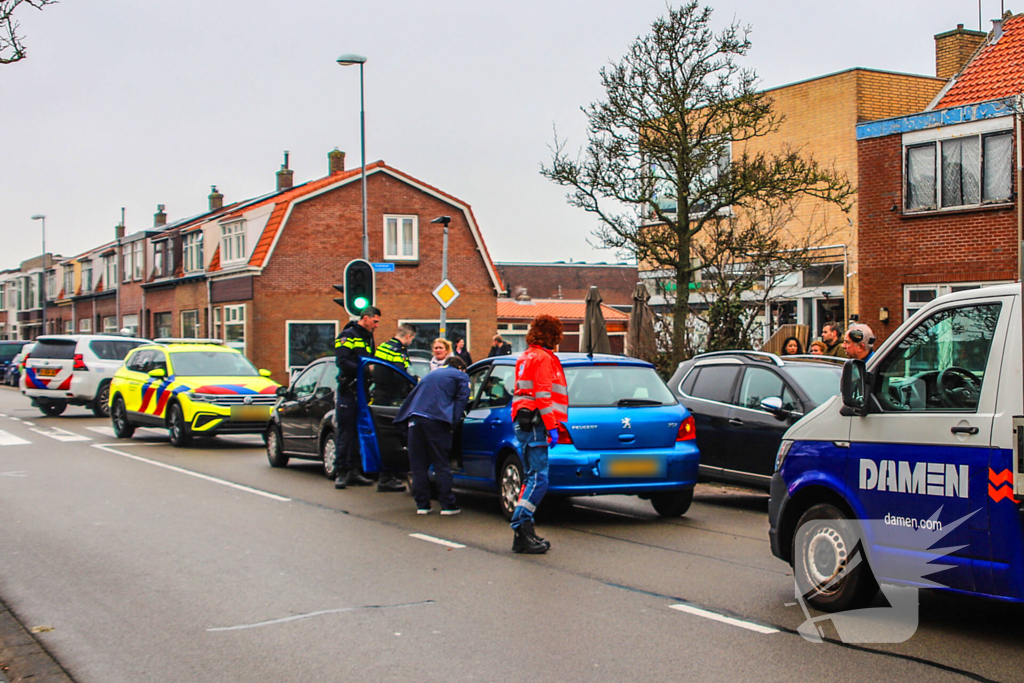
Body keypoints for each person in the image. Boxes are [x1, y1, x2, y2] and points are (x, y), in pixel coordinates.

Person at [509, 314, 567, 555]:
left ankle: (525, 532)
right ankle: (521, 524)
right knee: (539, 478)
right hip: (536, 422)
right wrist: (552, 426)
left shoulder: (525, 356)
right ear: (552, 334)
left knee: (531, 476)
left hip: (523, 419)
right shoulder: (543, 358)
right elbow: (543, 396)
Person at [394, 356, 470, 515]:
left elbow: (411, 398)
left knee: (418, 465)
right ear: (461, 368)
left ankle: (422, 505)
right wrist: (454, 424)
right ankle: (447, 505)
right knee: (441, 463)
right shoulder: (460, 376)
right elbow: (461, 401)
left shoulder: (430, 375)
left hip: (415, 419)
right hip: (437, 420)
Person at [333, 306, 380, 490]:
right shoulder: (347, 336)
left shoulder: (368, 336)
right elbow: (342, 361)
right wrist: (365, 369)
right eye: (375, 321)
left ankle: (354, 470)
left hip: (363, 390)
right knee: (346, 432)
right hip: (349, 390)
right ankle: (341, 472)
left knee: (359, 432)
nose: (376, 325)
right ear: (366, 318)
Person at [371, 323, 417, 493]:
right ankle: (388, 477)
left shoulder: (383, 346)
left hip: (379, 396)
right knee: (393, 438)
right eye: (411, 339)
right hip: (392, 398)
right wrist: (409, 389)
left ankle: (387, 475)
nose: (410, 342)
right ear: (408, 336)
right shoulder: (398, 351)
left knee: (383, 437)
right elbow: (400, 374)